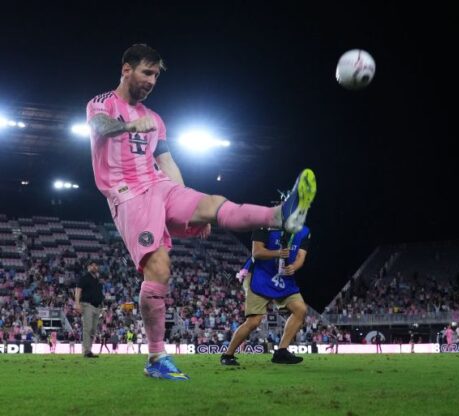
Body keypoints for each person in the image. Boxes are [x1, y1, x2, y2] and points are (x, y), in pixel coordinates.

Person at [86, 44, 317, 381]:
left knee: (213, 203)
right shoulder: (102, 103)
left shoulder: (157, 120)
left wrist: (185, 203)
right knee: (159, 268)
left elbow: (166, 162)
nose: (152, 81)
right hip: (127, 193)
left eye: (155, 75)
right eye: (146, 73)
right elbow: (99, 127)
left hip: (160, 185)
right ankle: (156, 358)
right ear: (126, 70)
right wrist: (126, 128)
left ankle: (280, 215)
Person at [220, 223, 311, 366]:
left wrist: (294, 267)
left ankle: (281, 352)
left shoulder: (304, 231)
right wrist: (278, 253)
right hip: (259, 274)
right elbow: (257, 252)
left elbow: (301, 256)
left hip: (282, 277)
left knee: (300, 309)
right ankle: (227, 355)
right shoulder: (264, 224)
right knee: (254, 321)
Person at [75, 260, 104, 358]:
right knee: (88, 328)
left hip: (97, 306)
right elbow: (78, 290)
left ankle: (89, 350)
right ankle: (86, 351)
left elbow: (99, 294)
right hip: (87, 305)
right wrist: (77, 303)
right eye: (92, 265)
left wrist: (102, 307)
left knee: (93, 330)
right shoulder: (84, 278)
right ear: (88, 267)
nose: (94, 267)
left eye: (96, 265)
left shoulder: (97, 280)